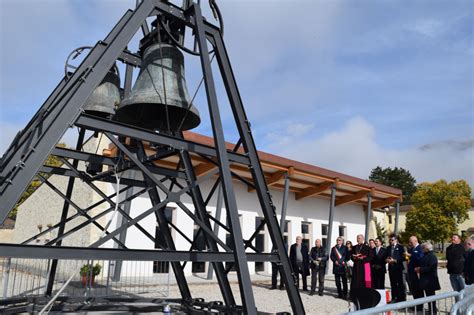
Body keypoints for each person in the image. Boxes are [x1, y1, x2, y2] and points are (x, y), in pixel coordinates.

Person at [415, 242, 440, 314]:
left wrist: (420, 269)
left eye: (423, 248)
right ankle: (431, 310)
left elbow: (431, 268)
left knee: (431, 296)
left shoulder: (432, 256)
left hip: (430, 280)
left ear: (427, 248)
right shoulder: (426, 255)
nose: (422, 249)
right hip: (425, 280)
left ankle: (433, 311)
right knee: (428, 296)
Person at [386, 235, 406, 303]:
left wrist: (395, 260)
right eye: (390, 240)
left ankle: (402, 299)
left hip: (398, 268)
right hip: (391, 268)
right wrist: (387, 260)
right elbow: (386, 257)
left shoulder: (400, 247)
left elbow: (404, 258)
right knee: (393, 284)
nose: (390, 241)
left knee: (400, 284)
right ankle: (394, 298)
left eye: (392, 240)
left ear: (396, 240)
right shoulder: (388, 248)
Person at [406, 235, 424, 311]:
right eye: (409, 241)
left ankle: (420, 306)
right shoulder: (412, 249)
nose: (409, 243)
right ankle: (416, 304)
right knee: (414, 289)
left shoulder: (420, 248)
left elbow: (421, 258)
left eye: (411, 241)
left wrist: (411, 255)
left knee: (418, 290)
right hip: (411, 272)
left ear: (415, 241)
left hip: (416, 272)